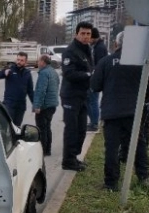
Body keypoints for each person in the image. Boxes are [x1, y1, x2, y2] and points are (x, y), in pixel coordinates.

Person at [91, 31, 149, 191]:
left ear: (116, 44)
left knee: (112, 148)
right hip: (134, 112)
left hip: (111, 112)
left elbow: (94, 86)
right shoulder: (142, 63)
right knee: (138, 143)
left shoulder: (105, 62)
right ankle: (144, 176)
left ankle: (111, 183)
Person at [60, 21, 94, 172]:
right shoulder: (70, 51)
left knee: (81, 129)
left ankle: (74, 157)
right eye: (83, 33)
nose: (86, 37)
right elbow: (69, 73)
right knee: (72, 129)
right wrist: (88, 75)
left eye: (88, 34)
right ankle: (68, 161)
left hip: (83, 95)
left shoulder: (87, 49)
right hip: (71, 96)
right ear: (76, 34)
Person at [32, 54, 60, 156]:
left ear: (43, 62)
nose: (38, 63)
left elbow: (41, 91)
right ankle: (48, 149)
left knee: (41, 128)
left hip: (45, 105)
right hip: (52, 104)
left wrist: (37, 106)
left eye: (39, 61)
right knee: (47, 127)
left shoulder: (43, 73)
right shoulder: (53, 72)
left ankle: (43, 150)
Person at [0, 51, 34, 126]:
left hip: (21, 105)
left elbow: (30, 91)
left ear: (26, 62)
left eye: (21, 60)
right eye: (18, 59)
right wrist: (4, 72)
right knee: (8, 126)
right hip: (9, 104)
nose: (19, 62)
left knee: (17, 127)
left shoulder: (27, 73)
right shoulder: (10, 69)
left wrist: (35, 104)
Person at [87, 27, 108, 132]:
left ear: (94, 37)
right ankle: (93, 121)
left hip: (96, 78)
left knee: (92, 101)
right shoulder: (98, 46)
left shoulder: (99, 48)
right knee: (91, 100)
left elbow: (98, 65)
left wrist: (94, 77)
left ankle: (94, 123)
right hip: (96, 77)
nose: (88, 40)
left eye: (90, 37)